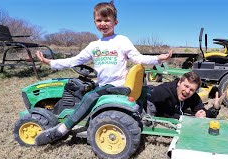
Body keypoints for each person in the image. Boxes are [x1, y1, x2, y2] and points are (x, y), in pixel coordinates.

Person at [34, 1, 173, 145]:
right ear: (94, 22)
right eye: (99, 20)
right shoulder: (94, 46)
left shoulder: (121, 40)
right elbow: (75, 60)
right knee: (86, 90)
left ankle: (62, 129)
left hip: (118, 85)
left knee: (90, 96)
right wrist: (50, 62)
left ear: (115, 21)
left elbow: (138, 58)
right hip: (104, 85)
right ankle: (80, 117)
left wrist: (158, 58)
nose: (103, 24)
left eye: (107, 20)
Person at [147, 71, 225, 119]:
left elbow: (203, 113)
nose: (187, 91)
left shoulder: (194, 97)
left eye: (192, 90)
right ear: (179, 83)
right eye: (186, 86)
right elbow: (166, 115)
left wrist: (215, 108)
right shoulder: (163, 92)